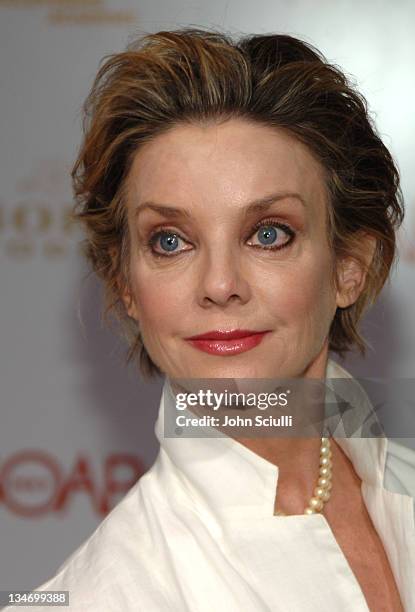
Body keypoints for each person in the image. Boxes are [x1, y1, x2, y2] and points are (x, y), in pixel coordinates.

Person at [8, 28, 415, 611]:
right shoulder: (104, 595)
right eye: (170, 241)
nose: (220, 285)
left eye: (268, 234)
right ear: (126, 283)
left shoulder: (398, 472)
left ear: (348, 267)